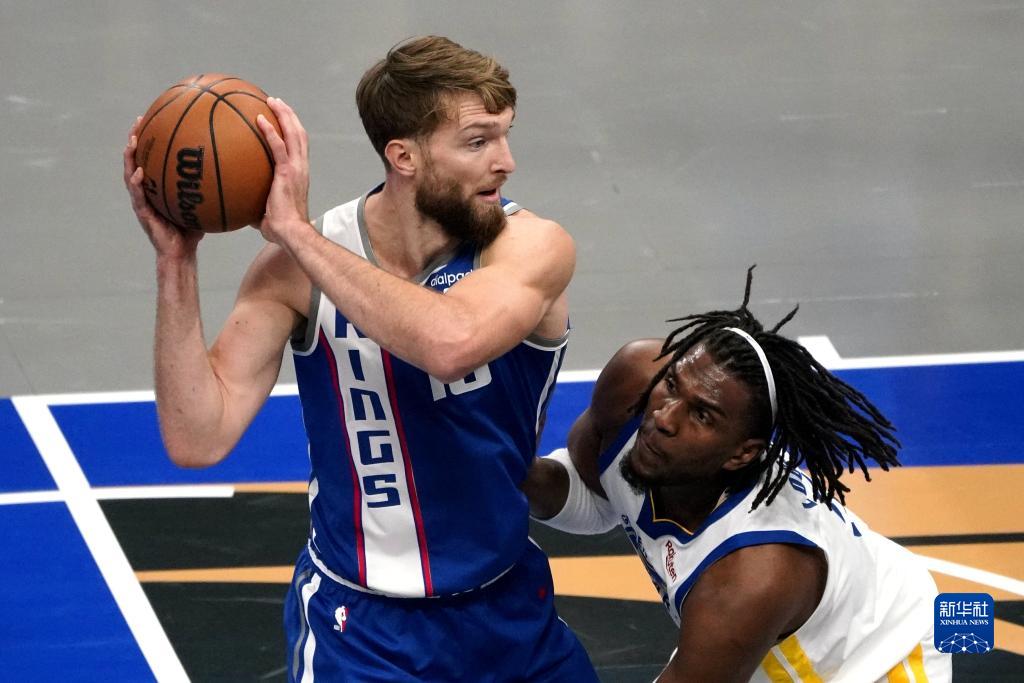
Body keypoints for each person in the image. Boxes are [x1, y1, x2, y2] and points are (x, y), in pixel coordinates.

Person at [124, 36, 597, 681]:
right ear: (403, 156)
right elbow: (196, 438)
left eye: (504, 135)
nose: (506, 162)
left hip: (509, 610)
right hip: (362, 633)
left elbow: (449, 344)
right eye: (478, 142)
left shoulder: (530, 246)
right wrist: (176, 263)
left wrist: (296, 234)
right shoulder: (293, 270)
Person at [522, 267, 952, 682]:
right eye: (673, 384)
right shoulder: (636, 384)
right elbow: (593, 497)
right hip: (762, 631)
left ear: (742, 453)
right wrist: (511, 472)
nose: (665, 418)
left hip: (876, 652)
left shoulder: (752, 574)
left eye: (702, 415)